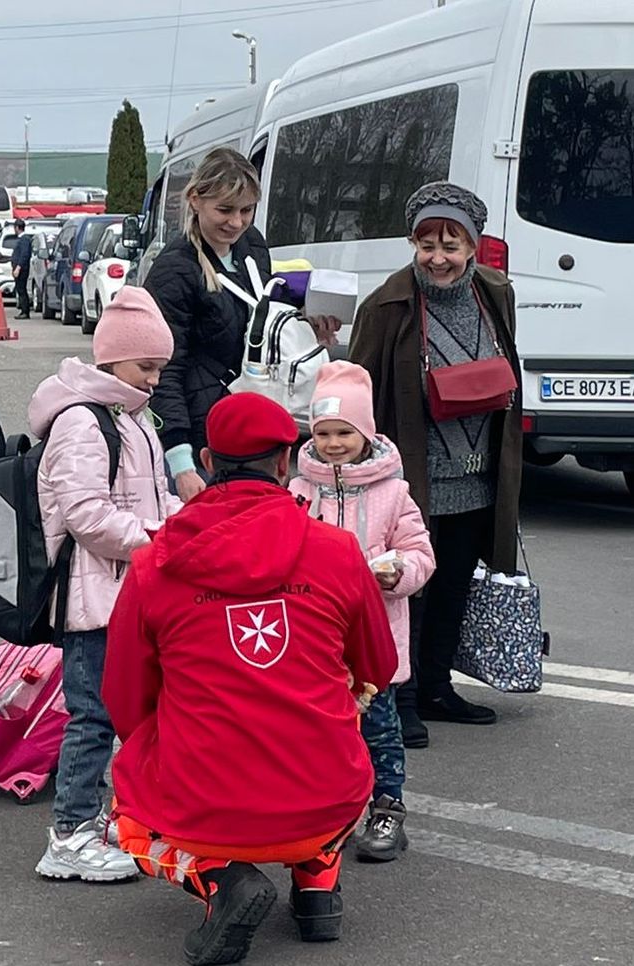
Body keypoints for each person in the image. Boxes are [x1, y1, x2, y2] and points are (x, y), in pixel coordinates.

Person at [103, 392, 396, 966]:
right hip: (326, 799)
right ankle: (316, 886)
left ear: (208, 463)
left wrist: (169, 743)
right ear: (285, 463)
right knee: (339, 730)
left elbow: (124, 696)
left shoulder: (155, 564)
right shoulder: (338, 553)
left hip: (204, 801)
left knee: (129, 814)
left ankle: (219, 878)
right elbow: (379, 667)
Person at [349, 182, 523, 746]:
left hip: (480, 471)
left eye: (452, 245)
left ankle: (436, 687)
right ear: (412, 243)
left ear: (473, 247)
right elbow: (361, 389)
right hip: (415, 475)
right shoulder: (387, 304)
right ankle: (397, 695)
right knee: (408, 590)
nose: (439, 258)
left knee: (452, 583)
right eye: (427, 244)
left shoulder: (495, 293)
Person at [26, 287, 184, 883]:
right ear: (113, 359)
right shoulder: (82, 422)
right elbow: (85, 514)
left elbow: (158, 494)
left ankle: (111, 814)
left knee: (135, 714)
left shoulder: (133, 419)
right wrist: (159, 538)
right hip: (93, 601)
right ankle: (69, 834)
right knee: (91, 715)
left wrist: (176, 524)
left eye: (160, 369)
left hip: (132, 592)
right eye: (146, 367)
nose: (154, 380)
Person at [288, 361, 436, 862]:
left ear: (365, 433)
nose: (332, 444)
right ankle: (331, 808)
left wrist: (400, 573)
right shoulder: (300, 491)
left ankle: (387, 806)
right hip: (317, 643)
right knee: (322, 731)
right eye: (323, 433)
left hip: (376, 642)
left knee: (380, 728)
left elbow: (419, 551)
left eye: (344, 433)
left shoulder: (394, 493)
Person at [144, 148, 339, 504]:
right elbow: (165, 371)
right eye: (225, 210)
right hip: (208, 442)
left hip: (260, 429)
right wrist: (181, 464)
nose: (236, 222)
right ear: (195, 199)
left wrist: (309, 333)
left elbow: (262, 323)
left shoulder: (252, 245)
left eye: (246, 210)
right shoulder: (174, 270)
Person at [11, 219, 32, 319]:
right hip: (19, 268)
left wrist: (18, 268)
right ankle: (23, 310)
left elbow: (24, 255)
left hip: (22, 269)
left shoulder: (24, 239)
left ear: (17, 228)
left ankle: (25, 311)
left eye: (15, 227)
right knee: (20, 289)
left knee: (21, 289)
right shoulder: (22, 239)